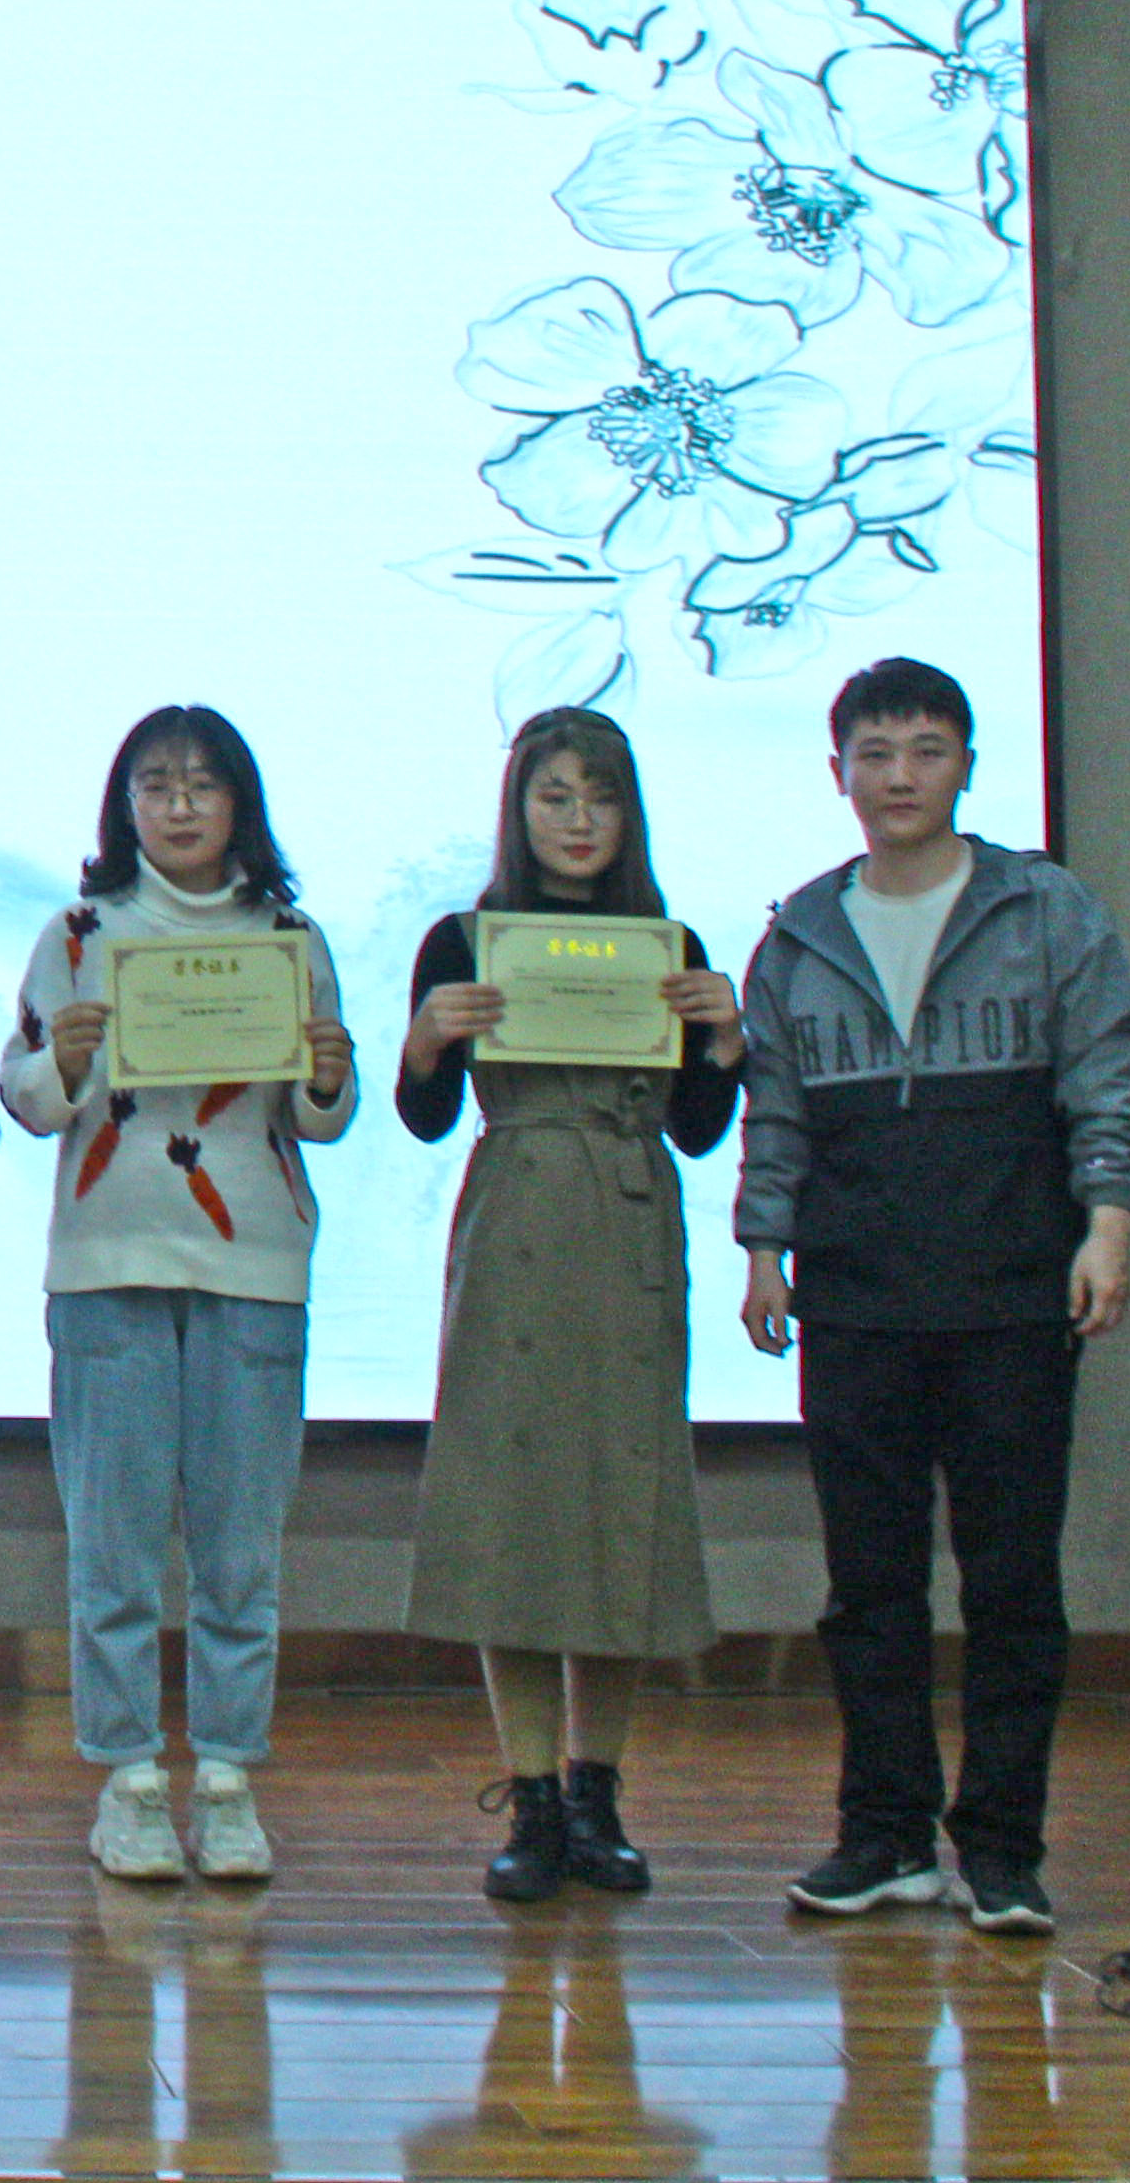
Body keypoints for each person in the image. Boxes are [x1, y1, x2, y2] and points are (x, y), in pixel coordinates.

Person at [737, 654, 1130, 1937]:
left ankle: (1005, 1849)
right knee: (868, 1590)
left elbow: (1108, 1074)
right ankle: (884, 1836)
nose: (900, 776)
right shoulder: (799, 935)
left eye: (926, 750)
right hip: (855, 1301)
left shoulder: (1044, 909)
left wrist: (1109, 1226)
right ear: (838, 774)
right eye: (875, 754)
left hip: (1014, 1294)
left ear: (968, 763)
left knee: (1012, 1584)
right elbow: (776, 1110)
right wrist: (763, 1249)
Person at [0, 705, 356, 1886]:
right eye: (156, 785)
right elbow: (23, 1095)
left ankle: (231, 1780)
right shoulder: (78, 934)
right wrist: (65, 1060)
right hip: (109, 1265)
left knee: (241, 1550)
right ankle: (130, 1781)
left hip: (254, 1268)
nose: (181, 806)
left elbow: (319, 1118)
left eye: (204, 785)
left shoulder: (291, 939)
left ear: (240, 802)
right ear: (126, 805)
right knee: (114, 1545)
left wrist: (327, 1077)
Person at [392, 705, 744, 1904]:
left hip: (631, 1221)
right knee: (514, 1500)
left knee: (622, 1501)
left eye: (600, 796)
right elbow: (425, 1120)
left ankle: (599, 1793)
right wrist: (425, 1045)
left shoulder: (671, 941)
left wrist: (726, 1043)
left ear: (629, 811)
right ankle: (532, 1795)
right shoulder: (462, 939)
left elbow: (697, 1131)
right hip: (518, 1221)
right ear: (519, 808)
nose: (579, 819)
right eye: (555, 795)